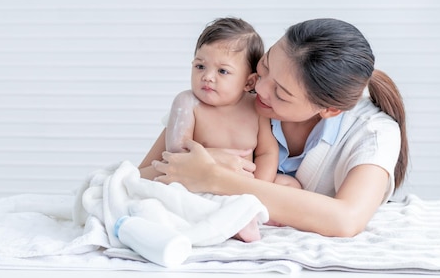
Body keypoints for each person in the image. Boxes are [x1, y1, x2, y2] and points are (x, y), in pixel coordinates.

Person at [147, 18, 408, 237]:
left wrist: (215, 178)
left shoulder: (372, 133)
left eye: (281, 94)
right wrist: (198, 161)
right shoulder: (228, 97)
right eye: (266, 66)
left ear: (330, 110)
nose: (258, 88)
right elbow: (140, 176)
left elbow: (346, 220)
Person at [139, 17, 281, 184]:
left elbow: (267, 152)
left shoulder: (255, 108)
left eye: (222, 71)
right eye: (200, 66)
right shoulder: (188, 103)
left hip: (239, 188)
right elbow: (176, 151)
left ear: (249, 82)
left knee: (289, 184)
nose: (207, 77)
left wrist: (257, 188)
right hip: (195, 184)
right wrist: (213, 158)